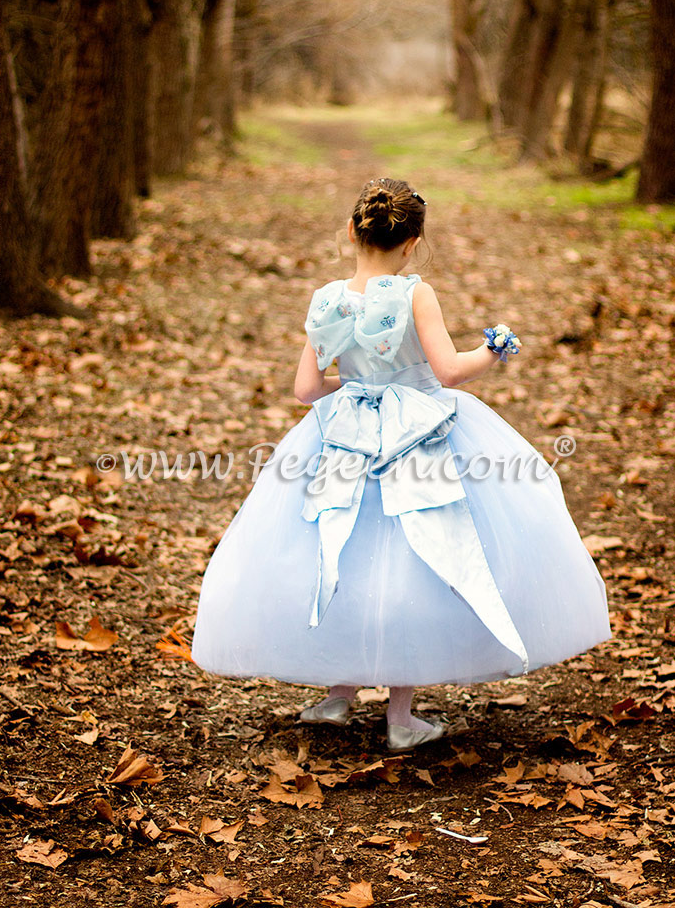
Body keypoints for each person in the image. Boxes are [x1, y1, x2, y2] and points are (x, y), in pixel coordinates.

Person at [192, 177, 611, 752]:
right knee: (416, 548)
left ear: (351, 232)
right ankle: (400, 716)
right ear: (412, 241)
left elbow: (306, 388)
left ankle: (338, 695)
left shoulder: (327, 297)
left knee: (346, 545)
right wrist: (493, 349)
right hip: (418, 432)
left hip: (344, 432)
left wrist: (361, 383)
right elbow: (447, 371)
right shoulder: (416, 293)